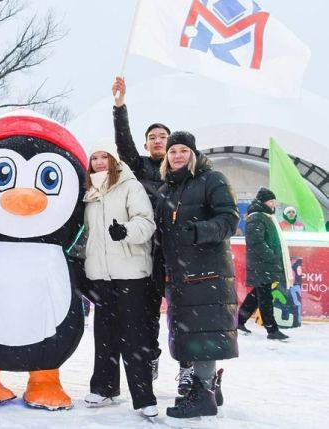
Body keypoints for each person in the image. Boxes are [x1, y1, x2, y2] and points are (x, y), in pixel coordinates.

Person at [154, 131, 239, 422]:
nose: (178, 155)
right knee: (190, 333)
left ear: (193, 153)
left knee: (203, 333)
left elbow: (229, 220)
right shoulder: (166, 190)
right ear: (166, 157)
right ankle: (209, 388)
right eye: (173, 151)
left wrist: (199, 231)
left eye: (183, 150)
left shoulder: (211, 180)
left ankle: (202, 395)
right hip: (179, 275)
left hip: (208, 272)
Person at [112, 76, 188, 393]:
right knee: (147, 317)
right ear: (147, 145)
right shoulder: (139, 168)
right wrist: (119, 107)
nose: (158, 141)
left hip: (180, 257)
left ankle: (189, 371)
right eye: (153, 137)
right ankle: (149, 362)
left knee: (186, 318)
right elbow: (123, 144)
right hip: (147, 255)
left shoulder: (185, 173)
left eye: (163, 137)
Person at [82, 140, 158, 418]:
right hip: (100, 275)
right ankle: (104, 388)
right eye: (95, 158)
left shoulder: (130, 186)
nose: (100, 162)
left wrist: (125, 231)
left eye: (104, 157)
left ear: (114, 160)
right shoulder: (89, 192)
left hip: (130, 274)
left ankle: (143, 396)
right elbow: (86, 234)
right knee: (103, 335)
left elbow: (146, 223)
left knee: (133, 338)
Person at [238, 187, 290, 341]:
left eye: (274, 201)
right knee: (264, 297)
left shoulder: (264, 216)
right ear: (263, 202)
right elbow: (256, 241)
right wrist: (271, 255)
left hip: (264, 264)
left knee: (257, 295)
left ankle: (238, 321)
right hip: (262, 264)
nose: (273, 204)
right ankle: (272, 330)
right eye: (271, 201)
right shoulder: (257, 217)